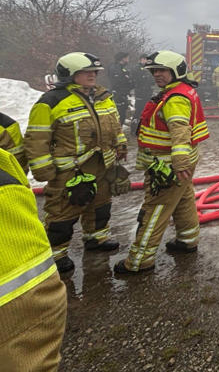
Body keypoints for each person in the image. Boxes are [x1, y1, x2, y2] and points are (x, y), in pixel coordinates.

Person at [25, 52, 128, 275]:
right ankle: (56, 254)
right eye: (86, 72)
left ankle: (96, 238)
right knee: (63, 212)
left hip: (102, 163)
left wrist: (120, 144)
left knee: (101, 204)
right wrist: (43, 169)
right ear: (69, 74)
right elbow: (36, 138)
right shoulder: (52, 101)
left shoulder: (103, 96)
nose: (92, 75)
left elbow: (114, 124)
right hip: (71, 170)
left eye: (94, 72)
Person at [114, 50, 209, 274]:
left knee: (155, 209)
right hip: (177, 164)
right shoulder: (180, 91)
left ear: (176, 71)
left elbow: (180, 130)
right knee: (184, 200)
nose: (157, 74)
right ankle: (187, 241)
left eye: (163, 70)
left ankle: (139, 262)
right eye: (155, 70)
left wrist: (180, 162)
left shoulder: (175, 98)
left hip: (167, 166)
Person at [0, 147, 67, 371]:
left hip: (34, 296)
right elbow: (35, 143)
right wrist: (48, 174)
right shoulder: (5, 162)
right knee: (61, 219)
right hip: (40, 297)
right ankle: (62, 252)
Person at [108, 51, 134, 125]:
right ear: (123, 58)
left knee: (121, 117)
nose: (128, 60)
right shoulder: (115, 68)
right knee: (118, 118)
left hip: (122, 96)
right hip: (118, 96)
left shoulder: (122, 68)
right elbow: (119, 83)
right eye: (127, 58)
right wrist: (129, 82)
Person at [132, 53, 156, 129]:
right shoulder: (137, 68)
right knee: (138, 111)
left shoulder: (148, 69)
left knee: (146, 111)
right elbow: (137, 80)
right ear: (140, 59)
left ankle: (142, 127)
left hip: (148, 93)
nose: (146, 61)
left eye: (147, 59)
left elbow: (152, 80)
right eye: (144, 59)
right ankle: (134, 128)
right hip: (140, 93)